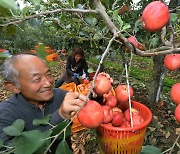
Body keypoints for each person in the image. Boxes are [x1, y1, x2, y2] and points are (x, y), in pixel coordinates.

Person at [0, 54, 87, 153]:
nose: (48, 83)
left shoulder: (60, 95)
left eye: (48, 74)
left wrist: (98, 94)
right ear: (14, 87)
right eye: (37, 79)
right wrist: (59, 116)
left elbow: (87, 105)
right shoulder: (4, 115)